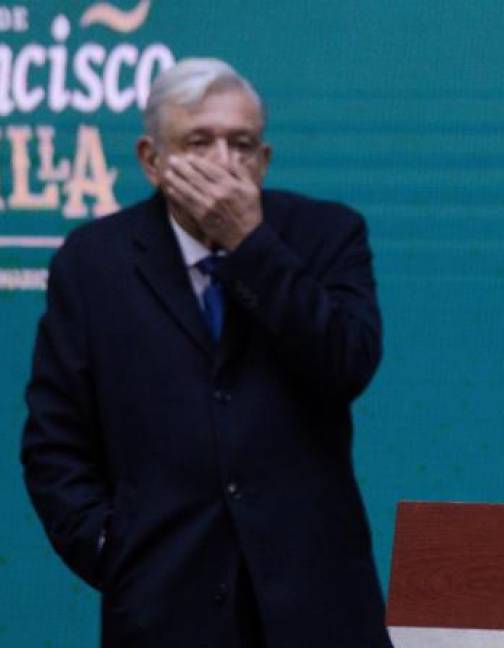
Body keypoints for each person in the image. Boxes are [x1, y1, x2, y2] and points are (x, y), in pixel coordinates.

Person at [21, 58, 392, 647]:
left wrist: (252, 245)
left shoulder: (327, 236)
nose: (224, 162)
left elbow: (347, 362)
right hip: (164, 607)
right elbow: (54, 442)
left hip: (317, 608)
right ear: (151, 160)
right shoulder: (93, 264)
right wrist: (110, 548)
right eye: (199, 142)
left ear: (264, 161)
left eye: (241, 144)